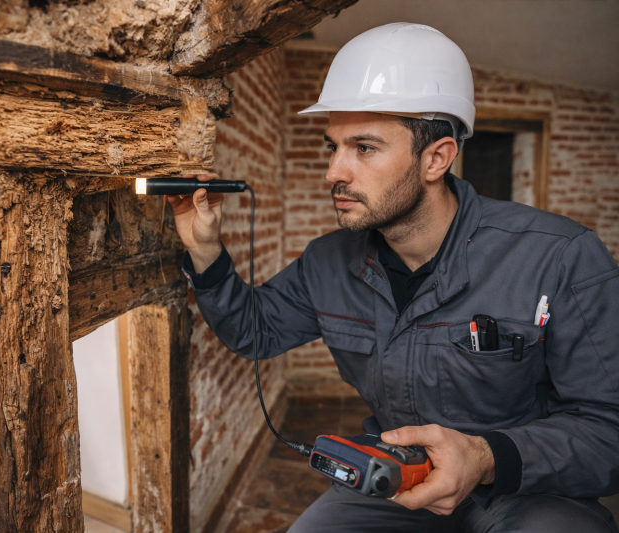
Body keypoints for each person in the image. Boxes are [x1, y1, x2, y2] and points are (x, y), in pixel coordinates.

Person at [167, 23, 619, 532]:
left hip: (526, 488)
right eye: (332, 146)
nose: (333, 171)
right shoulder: (328, 262)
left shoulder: (560, 258)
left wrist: (486, 456)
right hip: (397, 480)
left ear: (436, 158)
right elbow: (256, 330)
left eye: (364, 148)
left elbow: (610, 429)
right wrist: (205, 250)